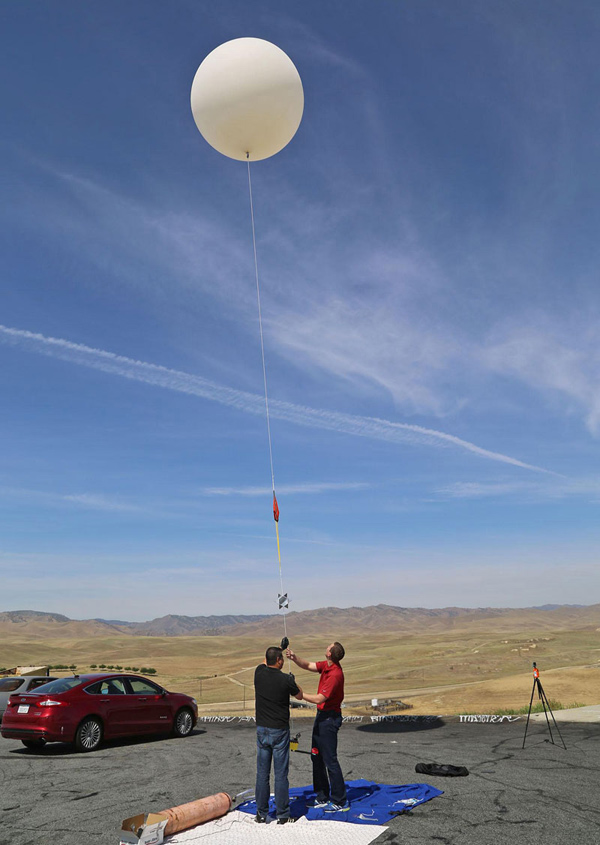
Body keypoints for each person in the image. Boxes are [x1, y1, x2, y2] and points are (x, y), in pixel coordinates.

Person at [286, 641, 349, 812]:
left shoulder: (335, 674)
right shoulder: (327, 666)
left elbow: (320, 699)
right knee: (317, 756)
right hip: (322, 717)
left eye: (329, 646)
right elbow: (308, 665)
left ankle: (340, 800)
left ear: (330, 653)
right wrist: (294, 657)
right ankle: (322, 796)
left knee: (330, 760)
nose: (326, 646)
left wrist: (300, 694)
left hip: (330, 719)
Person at [254, 646, 303, 824]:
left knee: (262, 774)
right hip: (279, 732)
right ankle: (282, 814)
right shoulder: (285, 679)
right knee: (281, 774)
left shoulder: (258, 673)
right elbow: (300, 695)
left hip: (262, 730)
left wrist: (278, 649)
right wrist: (293, 681)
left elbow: (263, 662)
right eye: (281, 658)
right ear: (280, 661)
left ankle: (261, 813)